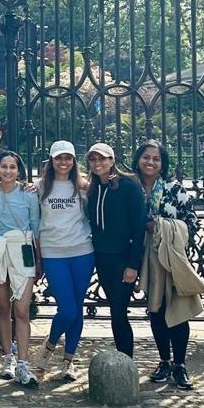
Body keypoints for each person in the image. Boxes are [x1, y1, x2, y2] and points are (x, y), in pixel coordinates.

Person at [133, 140, 203, 390]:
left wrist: (162, 228)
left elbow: (191, 223)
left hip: (171, 257)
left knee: (177, 309)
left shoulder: (175, 189)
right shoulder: (131, 187)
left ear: (163, 164)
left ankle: (180, 364)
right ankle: (164, 360)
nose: (150, 162)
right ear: (138, 160)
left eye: (156, 158)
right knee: (156, 309)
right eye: (146, 157)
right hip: (144, 258)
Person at [32, 141, 93, 382]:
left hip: (82, 252)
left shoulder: (83, 186)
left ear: (74, 161)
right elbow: (35, 223)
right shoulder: (40, 188)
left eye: (68, 158)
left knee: (77, 308)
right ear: (51, 160)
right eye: (59, 158)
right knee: (67, 309)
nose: (63, 162)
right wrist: (38, 258)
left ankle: (68, 360)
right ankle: (49, 346)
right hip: (53, 253)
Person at [0, 151, 42, 388]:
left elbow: (35, 227)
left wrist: (39, 260)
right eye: (4, 166)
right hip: (0, 249)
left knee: (22, 310)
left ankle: (23, 363)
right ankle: (7, 358)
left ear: (18, 170)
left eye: (12, 167)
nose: (8, 171)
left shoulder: (29, 194)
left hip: (23, 249)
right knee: (3, 307)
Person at [86, 142, 147, 357]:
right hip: (102, 257)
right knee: (114, 308)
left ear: (112, 160)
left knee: (119, 311)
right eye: (93, 159)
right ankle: (122, 358)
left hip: (123, 258)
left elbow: (139, 226)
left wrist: (133, 264)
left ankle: (126, 360)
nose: (98, 163)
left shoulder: (127, 185)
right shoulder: (92, 188)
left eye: (102, 158)